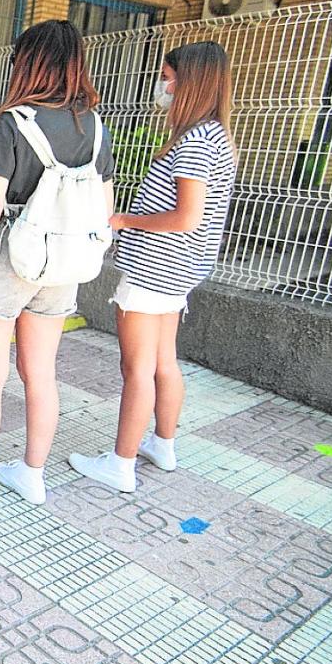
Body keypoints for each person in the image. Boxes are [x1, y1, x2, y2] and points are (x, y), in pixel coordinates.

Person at [0, 20, 114, 506]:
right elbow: (105, 209)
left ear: (29, 61)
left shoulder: (14, 122)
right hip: (63, 261)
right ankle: (32, 474)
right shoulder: (96, 126)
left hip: (7, 256)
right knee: (41, 373)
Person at [69, 42, 237, 492]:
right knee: (164, 362)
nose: (163, 86)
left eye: (168, 77)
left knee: (137, 368)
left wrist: (124, 219)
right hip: (180, 270)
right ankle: (163, 443)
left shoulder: (198, 142)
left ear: (189, 83)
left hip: (155, 270)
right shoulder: (215, 137)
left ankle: (120, 463)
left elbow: (186, 217)